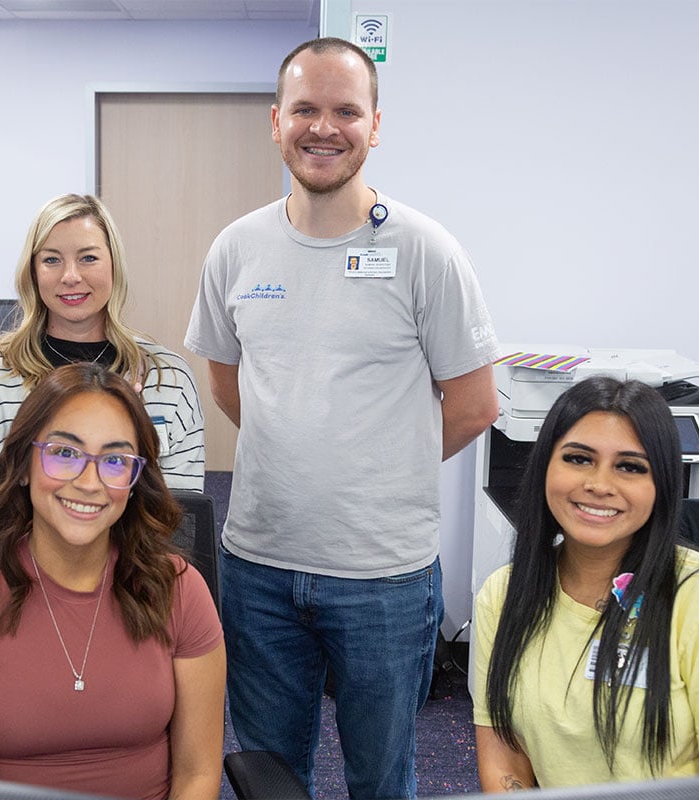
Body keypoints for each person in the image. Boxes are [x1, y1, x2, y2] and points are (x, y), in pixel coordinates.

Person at [184, 36, 502, 799]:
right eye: (305, 109)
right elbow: (231, 388)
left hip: (383, 574)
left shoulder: (426, 250)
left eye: (345, 111)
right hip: (258, 562)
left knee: (383, 774)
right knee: (267, 772)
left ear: (376, 126)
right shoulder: (237, 248)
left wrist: (376, 466)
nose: (323, 128)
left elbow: (475, 404)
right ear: (275, 120)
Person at [0, 363, 225, 800]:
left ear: (135, 481)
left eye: (115, 460)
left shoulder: (178, 589)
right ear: (23, 466)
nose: (89, 482)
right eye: (64, 453)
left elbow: (197, 777)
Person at [472, 377, 699, 790]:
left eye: (630, 467)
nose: (599, 485)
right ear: (545, 466)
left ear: (663, 486)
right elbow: (504, 761)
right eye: (578, 459)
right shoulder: (505, 594)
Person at [0, 194, 204, 493]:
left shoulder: (169, 379)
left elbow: (179, 520)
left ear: (114, 265)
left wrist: (134, 436)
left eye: (88, 258)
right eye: (52, 260)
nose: (70, 276)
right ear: (33, 273)